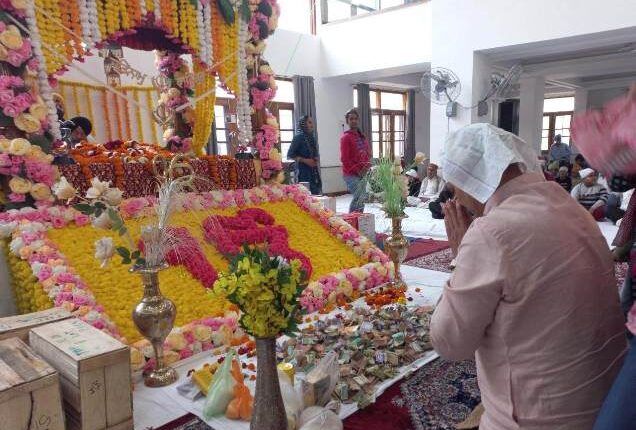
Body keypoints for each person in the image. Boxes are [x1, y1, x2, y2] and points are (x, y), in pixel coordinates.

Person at [431, 123, 626, 430]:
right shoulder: (570, 206)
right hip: (608, 403)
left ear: (470, 181)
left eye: (456, 189)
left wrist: (460, 257)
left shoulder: (492, 231)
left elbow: (449, 343)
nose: (459, 201)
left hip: (540, 418)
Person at [340, 108, 371, 212]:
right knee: (359, 195)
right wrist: (358, 171)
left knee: (362, 197)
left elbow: (367, 154)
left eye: (355, 118)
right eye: (351, 119)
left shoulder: (362, 137)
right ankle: (352, 218)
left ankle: (359, 218)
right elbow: (345, 159)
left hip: (363, 173)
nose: (353, 121)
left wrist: (367, 168)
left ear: (358, 120)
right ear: (347, 121)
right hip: (350, 174)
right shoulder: (346, 138)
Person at [287, 115, 322, 195]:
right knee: (306, 194)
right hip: (303, 171)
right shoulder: (298, 137)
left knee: (316, 193)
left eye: (312, 122)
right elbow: (290, 155)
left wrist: (316, 159)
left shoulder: (311, 137)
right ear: (303, 124)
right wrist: (305, 160)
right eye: (309, 122)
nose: (312, 125)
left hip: (313, 171)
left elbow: (314, 152)